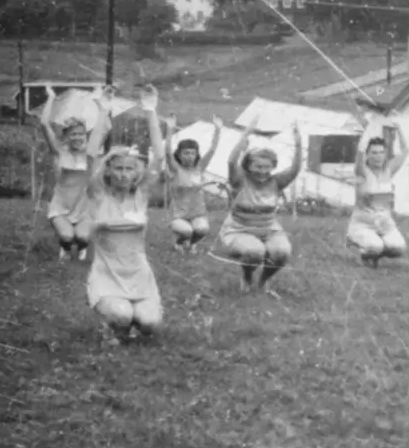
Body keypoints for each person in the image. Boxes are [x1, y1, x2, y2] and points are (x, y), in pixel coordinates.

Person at [83, 86, 166, 345]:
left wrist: (150, 110)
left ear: (136, 172)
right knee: (121, 315)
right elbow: (90, 155)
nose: (123, 174)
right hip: (107, 274)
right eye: (118, 168)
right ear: (109, 171)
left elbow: (159, 157)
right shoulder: (98, 195)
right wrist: (103, 112)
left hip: (138, 274)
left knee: (150, 323)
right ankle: (112, 325)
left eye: (129, 169)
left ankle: (133, 320)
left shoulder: (141, 196)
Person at [219, 121, 303, 293]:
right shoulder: (240, 180)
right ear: (249, 166)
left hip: (269, 229)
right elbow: (231, 162)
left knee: (282, 252)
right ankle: (247, 276)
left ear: (273, 167)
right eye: (258, 166)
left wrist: (298, 144)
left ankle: (264, 280)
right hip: (239, 229)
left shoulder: (276, 182)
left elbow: (295, 169)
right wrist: (245, 135)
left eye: (267, 167)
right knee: (255, 252)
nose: (262, 171)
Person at [38, 85, 104, 263]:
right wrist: (51, 98)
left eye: (81, 134)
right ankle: (65, 246)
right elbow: (44, 124)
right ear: (67, 136)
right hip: (61, 206)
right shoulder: (59, 153)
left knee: (82, 236)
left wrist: (99, 103)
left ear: (86, 136)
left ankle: (83, 246)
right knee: (67, 236)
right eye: (73, 134)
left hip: (84, 207)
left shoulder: (91, 154)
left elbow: (102, 127)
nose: (77, 138)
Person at [346, 113, 409, 267]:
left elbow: (405, 150)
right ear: (368, 155)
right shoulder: (362, 172)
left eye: (381, 153)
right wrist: (369, 128)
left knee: (399, 248)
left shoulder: (389, 171)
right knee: (374, 247)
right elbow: (360, 151)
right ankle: (362, 250)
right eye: (374, 153)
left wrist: (399, 129)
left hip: (385, 225)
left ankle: (376, 251)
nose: (378, 156)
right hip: (363, 224)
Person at [161, 114, 223, 254]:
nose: (189, 156)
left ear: (196, 155)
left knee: (202, 229)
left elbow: (212, 150)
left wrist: (218, 129)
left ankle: (191, 244)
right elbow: (167, 153)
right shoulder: (175, 169)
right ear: (179, 154)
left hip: (197, 213)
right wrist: (170, 129)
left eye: (192, 153)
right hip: (178, 215)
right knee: (187, 231)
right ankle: (178, 242)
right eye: (186, 153)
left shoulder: (199, 168)